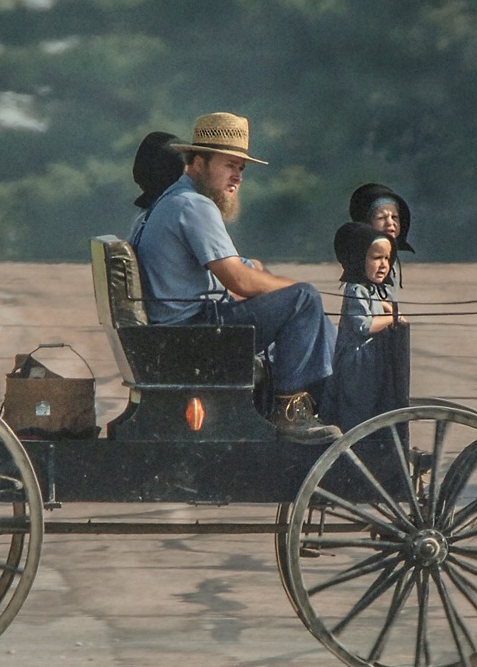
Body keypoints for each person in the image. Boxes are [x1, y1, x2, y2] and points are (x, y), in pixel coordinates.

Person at [128, 112, 339, 443]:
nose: (237, 176)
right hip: (192, 335)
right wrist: (294, 290)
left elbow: (239, 267)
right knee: (305, 300)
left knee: (301, 306)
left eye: (241, 168)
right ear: (199, 163)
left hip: (175, 332)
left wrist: (264, 279)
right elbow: (239, 281)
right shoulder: (193, 205)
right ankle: (292, 413)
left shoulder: (163, 205)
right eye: (229, 165)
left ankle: (309, 402)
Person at [319, 223, 411, 432]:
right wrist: (391, 318)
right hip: (357, 363)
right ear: (359, 259)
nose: (383, 265)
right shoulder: (356, 290)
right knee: (358, 406)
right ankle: (355, 438)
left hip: (371, 360)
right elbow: (364, 325)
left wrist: (388, 307)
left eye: (387, 258)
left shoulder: (373, 290)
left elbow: (378, 305)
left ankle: (372, 438)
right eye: (376, 258)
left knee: (374, 404)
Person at [348, 182, 414, 297]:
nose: (390, 223)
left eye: (394, 217)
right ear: (366, 223)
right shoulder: (362, 258)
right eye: (381, 218)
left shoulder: (391, 257)